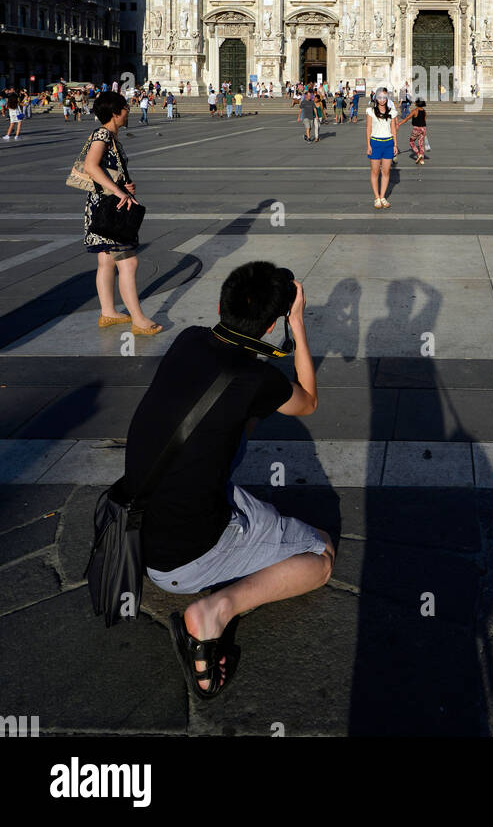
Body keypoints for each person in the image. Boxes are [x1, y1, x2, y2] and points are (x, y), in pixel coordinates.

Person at [124, 261, 333, 697]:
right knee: (321, 555)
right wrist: (299, 324)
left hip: (138, 529)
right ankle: (216, 609)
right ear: (273, 323)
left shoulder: (188, 340)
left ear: (221, 303)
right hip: (182, 562)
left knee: (227, 432)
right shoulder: (256, 378)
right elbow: (309, 400)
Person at [82, 91, 161, 335]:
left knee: (106, 260)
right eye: (125, 108)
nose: (129, 111)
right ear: (116, 113)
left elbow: (101, 171)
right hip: (110, 208)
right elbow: (90, 166)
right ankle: (138, 319)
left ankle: (108, 313)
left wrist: (122, 185)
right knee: (129, 262)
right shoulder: (104, 134)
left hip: (101, 204)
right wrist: (120, 192)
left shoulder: (109, 136)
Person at [366, 88, 397, 208]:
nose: (382, 100)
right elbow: (368, 128)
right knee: (375, 171)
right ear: (376, 98)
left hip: (388, 143)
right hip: (375, 143)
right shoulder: (370, 111)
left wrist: (395, 144)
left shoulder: (392, 112)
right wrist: (368, 145)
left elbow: (393, 129)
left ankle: (383, 196)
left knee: (386, 171)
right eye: (380, 97)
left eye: (384, 97)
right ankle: (376, 197)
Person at [401, 97, 428, 163]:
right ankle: (421, 160)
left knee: (411, 141)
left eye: (415, 102)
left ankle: (419, 154)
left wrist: (399, 124)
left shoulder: (415, 111)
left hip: (417, 128)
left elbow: (407, 118)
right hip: (423, 128)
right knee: (421, 144)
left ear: (417, 103)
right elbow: (424, 121)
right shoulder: (424, 111)